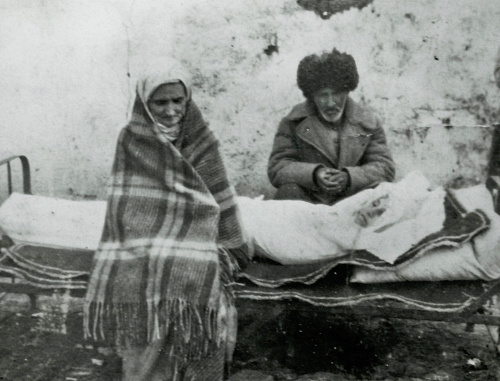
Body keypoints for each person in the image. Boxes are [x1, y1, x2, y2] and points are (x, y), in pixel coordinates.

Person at [84, 58, 244, 381]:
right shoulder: (130, 139)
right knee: (146, 275)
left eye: (178, 101)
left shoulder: (201, 138)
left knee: (202, 278)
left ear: (188, 101)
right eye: (160, 102)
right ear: (145, 103)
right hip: (145, 237)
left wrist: (229, 241)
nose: (171, 110)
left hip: (199, 230)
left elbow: (218, 195)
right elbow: (127, 204)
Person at [268, 48, 396, 205]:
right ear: (312, 95)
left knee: (384, 195)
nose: (330, 103)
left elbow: (384, 167)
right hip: (311, 202)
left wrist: (349, 178)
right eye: (323, 95)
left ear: (347, 90)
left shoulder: (368, 121)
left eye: (336, 94)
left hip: (354, 200)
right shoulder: (293, 122)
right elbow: (278, 167)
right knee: (287, 193)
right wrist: (314, 175)